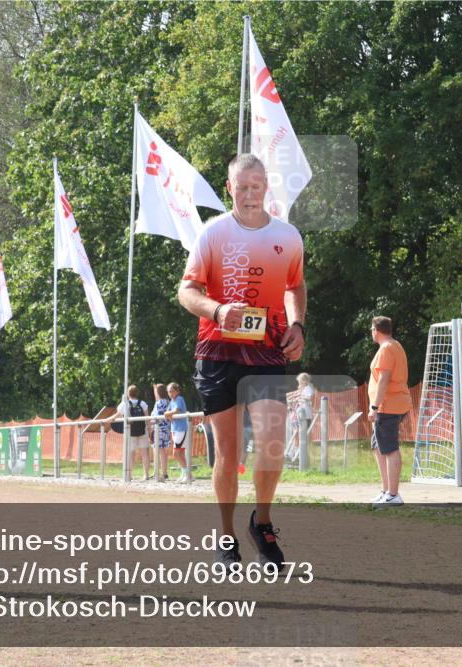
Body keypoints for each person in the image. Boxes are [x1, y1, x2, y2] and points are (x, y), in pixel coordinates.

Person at [177, 153, 306, 570]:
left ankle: (262, 522)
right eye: (242, 187)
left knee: (272, 444)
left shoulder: (288, 237)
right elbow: (187, 290)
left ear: (266, 186)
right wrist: (216, 311)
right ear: (230, 188)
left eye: (257, 185)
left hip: (267, 350)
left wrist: (298, 325)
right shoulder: (213, 234)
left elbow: (295, 285)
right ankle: (226, 536)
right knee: (228, 454)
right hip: (218, 351)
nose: (250, 194)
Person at [367, 316, 412, 507]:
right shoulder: (395, 345)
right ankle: (386, 491)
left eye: (371, 329)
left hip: (388, 406)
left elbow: (384, 380)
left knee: (390, 449)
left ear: (376, 330)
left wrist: (374, 406)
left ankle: (393, 495)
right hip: (392, 404)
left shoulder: (386, 349)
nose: (371, 333)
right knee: (378, 446)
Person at [104, 385, 150, 481]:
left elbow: (116, 416)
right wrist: (149, 430)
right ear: (137, 393)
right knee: (145, 453)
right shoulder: (143, 403)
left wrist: (106, 420)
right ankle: (146, 475)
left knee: (130, 454)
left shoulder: (124, 404)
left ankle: (129, 475)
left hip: (130, 432)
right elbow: (147, 419)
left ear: (128, 394)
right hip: (143, 431)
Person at [165, 382, 192, 483]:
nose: (170, 394)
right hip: (175, 429)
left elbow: (176, 411)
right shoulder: (171, 401)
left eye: (172, 391)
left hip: (181, 429)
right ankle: (185, 473)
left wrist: (167, 413)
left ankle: (187, 473)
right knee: (180, 453)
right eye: (168, 392)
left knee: (176, 453)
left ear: (177, 391)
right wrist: (168, 414)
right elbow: (168, 415)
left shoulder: (179, 399)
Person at [286, 372, 316, 462]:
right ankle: (293, 453)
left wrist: (300, 397)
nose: (298, 384)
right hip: (300, 415)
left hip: (306, 416)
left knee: (301, 435)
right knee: (297, 435)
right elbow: (294, 394)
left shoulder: (308, 388)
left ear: (304, 381)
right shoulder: (303, 389)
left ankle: (299, 455)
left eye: (300, 382)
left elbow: (310, 398)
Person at [150, 384, 172, 481]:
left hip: (159, 429)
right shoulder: (168, 401)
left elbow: (155, 417)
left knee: (157, 451)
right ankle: (164, 473)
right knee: (162, 451)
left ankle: (158, 473)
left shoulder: (159, 403)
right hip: (166, 429)